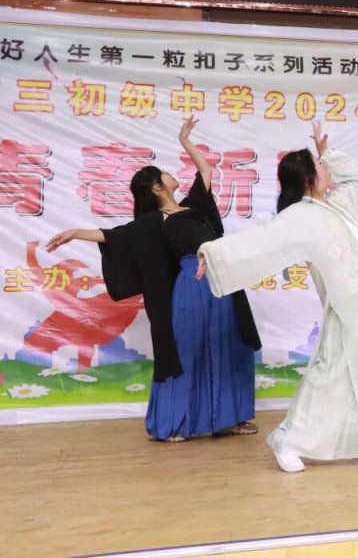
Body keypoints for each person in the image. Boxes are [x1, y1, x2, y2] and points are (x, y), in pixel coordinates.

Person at [196, 122, 358, 473]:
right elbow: (260, 240)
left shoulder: (339, 203)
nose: (326, 169)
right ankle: (289, 440)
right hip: (349, 305)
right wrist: (214, 253)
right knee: (332, 375)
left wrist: (328, 153)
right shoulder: (299, 216)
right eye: (320, 165)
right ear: (309, 177)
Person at [46, 117, 261, 442]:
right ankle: (173, 424)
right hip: (193, 286)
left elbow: (206, 171)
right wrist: (76, 233)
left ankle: (228, 419)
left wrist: (185, 141)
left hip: (223, 282)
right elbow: (114, 236)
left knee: (229, 345)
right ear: (157, 187)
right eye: (163, 173)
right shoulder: (153, 222)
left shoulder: (194, 207)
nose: (170, 174)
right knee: (188, 351)